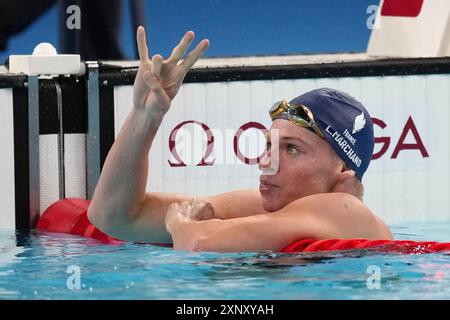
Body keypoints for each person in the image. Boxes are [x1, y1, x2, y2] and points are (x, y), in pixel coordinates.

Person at [87, 26, 393, 252]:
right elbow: (113, 217)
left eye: (292, 149)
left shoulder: (347, 211)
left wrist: (180, 224)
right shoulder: (269, 208)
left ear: (343, 171)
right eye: (269, 145)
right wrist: (144, 115)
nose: (266, 162)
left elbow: (198, 243)